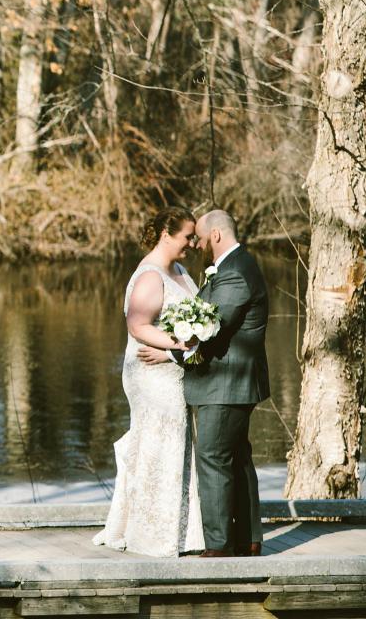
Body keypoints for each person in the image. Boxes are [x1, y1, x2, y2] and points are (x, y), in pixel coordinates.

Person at [138, 208, 270, 557]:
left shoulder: (235, 274)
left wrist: (168, 354)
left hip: (225, 382)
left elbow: (208, 331)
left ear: (215, 236)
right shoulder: (232, 268)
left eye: (198, 237)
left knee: (213, 457)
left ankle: (219, 545)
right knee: (236, 457)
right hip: (232, 381)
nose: (195, 244)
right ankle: (248, 537)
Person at [93, 207, 205, 557]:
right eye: (188, 236)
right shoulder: (149, 276)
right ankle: (153, 533)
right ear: (166, 234)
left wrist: (194, 341)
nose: (193, 243)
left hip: (174, 368)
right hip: (150, 373)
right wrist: (183, 344)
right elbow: (138, 327)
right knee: (161, 443)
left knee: (179, 444)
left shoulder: (182, 272)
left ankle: (181, 531)